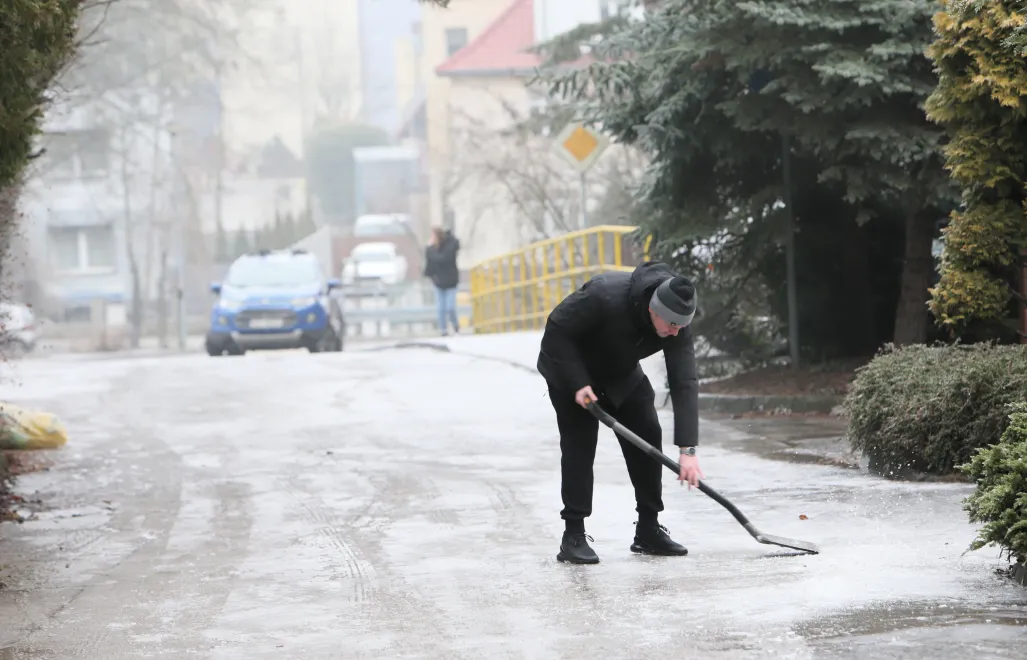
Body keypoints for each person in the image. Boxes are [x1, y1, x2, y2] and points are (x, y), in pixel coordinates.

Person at [536, 260, 703, 564]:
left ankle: (648, 529)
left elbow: (684, 381)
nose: (676, 333)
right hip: (571, 370)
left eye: (681, 325)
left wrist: (688, 449)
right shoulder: (605, 296)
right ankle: (573, 534)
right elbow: (556, 331)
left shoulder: (676, 322)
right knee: (580, 446)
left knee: (648, 433)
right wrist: (577, 382)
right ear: (654, 309)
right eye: (671, 325)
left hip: (620, 373)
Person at [423, 226, 461, 336]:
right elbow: (430, 264)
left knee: (450, 307)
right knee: (440, 309)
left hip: (450, 283)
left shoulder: (448, 248)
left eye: (433, 236)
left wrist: (429, 249)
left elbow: (442, 258)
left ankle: (455, 325)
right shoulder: (432, 250)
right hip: (438, 282)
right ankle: (443, 330)